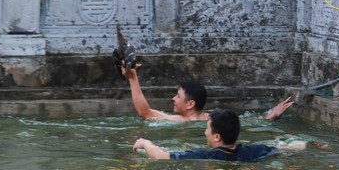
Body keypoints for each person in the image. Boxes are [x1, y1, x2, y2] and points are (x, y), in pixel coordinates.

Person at [122, 63, 293, 123]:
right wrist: (268, 117)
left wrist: (132, 78)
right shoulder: (213, 118)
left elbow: (145, 113)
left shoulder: (178, 120)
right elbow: (244, 121)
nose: (173, 99)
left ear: (190, 104)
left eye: (178, 96)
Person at [133, 109, 305, 162]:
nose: (204, 131)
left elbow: (161, 157)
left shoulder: (205, 156)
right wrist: (301, 144)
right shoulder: (253, 150)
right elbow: (286, 148)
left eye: (207, 128)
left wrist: (146, 143)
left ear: (217, 137)